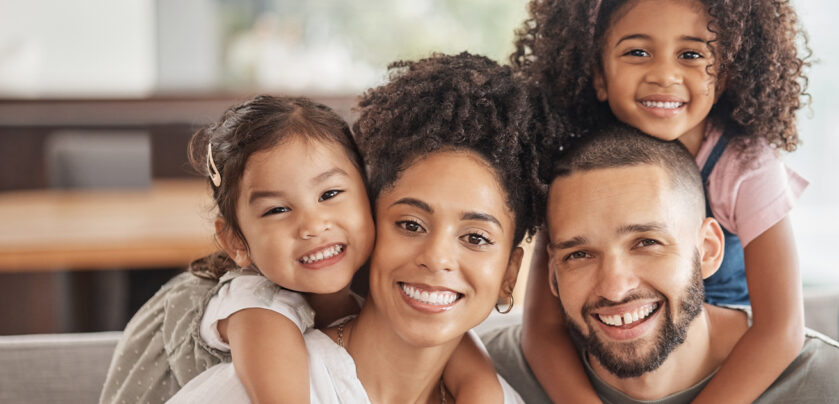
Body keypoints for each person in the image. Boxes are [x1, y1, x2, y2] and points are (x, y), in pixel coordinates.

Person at [169, 52, 555, 403]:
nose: (437, 258)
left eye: (475, 237)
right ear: (371, 224)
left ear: (509, 274)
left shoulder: (495, 393)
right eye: (410, 224)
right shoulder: (258, 381)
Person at [101, 95, 507, 403]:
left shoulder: (379, 275)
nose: (313, 226)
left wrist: (482, 393)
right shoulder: (259, 307)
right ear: (238, 242)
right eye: (278, 209)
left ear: (367, 196)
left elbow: (457, 350)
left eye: (330, 193)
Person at [510, 0, 812, 402]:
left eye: (690, 54)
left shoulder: (746, 165)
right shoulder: (575, 172)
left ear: (722, 76)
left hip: (727, 376)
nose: (665, 75)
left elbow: (782, 329)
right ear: (598, 76)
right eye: (637, 52)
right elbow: (542, 329)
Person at [483, 125, 839, 403]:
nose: (614, 286)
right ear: (551, 274)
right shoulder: (487, 380)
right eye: (579, 254)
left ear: (709, 249)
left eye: (646, 242)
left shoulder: (836, 392)